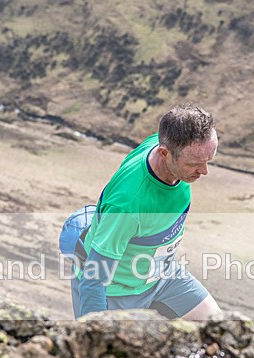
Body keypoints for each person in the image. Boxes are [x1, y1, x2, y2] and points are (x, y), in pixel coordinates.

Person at [69, 103, 221, 320]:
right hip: (119, 292)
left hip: (163, 276)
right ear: (164, 153)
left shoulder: (165, 140)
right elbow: (93, 280)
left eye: (209, 160)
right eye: (195, 163)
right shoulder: (128, 205)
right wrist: (92, 338)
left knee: (221, 328)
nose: (204, 171)